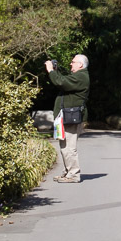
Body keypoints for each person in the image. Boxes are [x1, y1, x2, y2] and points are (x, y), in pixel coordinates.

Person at [46, 54, 90, 183]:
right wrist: (55, 71)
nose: (70, 64)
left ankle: (74, 175)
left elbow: (61, 82)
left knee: (70, 147)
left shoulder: (82, 77)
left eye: (73, 62)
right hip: (65, 116)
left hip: (71, 116)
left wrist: (51, 71)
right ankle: (68, 172)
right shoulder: (77, 76)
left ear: (80, 65)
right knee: (64, 145)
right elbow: (64, 81)